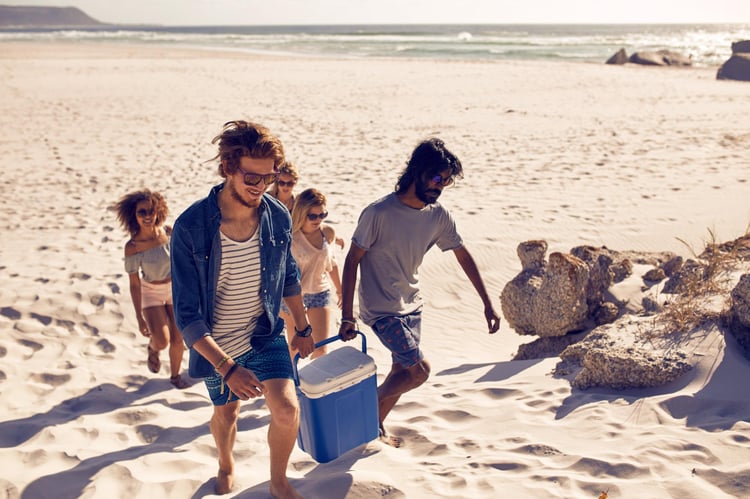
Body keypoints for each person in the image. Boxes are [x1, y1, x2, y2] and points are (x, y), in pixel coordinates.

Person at [171, 120, 313, 498]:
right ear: (228, 167)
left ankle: (279, 483)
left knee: (286, 409)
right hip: (217, 346)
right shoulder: (191, 227)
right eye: (252, 177)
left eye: (268, 178)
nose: (260, 187)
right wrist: (227, 367)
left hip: (264, 333)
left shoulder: (278, 216)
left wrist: (302, 327)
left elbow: (288, 274)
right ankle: (224, 462)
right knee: (227, 413)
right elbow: (186, 315)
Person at [337, 137, 501, 447]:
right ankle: (362, 410)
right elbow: (351, 261)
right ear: (417, 172)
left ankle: (373, 429)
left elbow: (463, 256)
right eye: (437, 177)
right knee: (419, 371)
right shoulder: (378, 213)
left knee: (401, 369)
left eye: (447, 181)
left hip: (412, 305)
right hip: (381, 309)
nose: (441, 186)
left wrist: (487, 303)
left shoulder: (438, 215)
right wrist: (348, 315)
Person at [114, 189, 188, 389]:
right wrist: (139, 317)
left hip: (175, 290)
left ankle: (175, 377)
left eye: (151, 211)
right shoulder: (133, 247)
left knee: (178, 337)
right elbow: (134, 283)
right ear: (133, 215)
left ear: (159, 211)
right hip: (151, 293)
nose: (147, 216)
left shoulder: (169, 233)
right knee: (162, 341)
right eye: (142, 212)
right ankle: (153, 349)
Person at [280, 188, 343, 359]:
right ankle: (293, 384)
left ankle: (317, 384)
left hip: (320, 293)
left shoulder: (328, 232)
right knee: (295, 351)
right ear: (302, 213)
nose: (318, 220)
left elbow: (332, 264)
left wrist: (340, 290)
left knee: (321, 350)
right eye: (313, 216)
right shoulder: (290, 237)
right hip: (293, 298)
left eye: (322, 215)